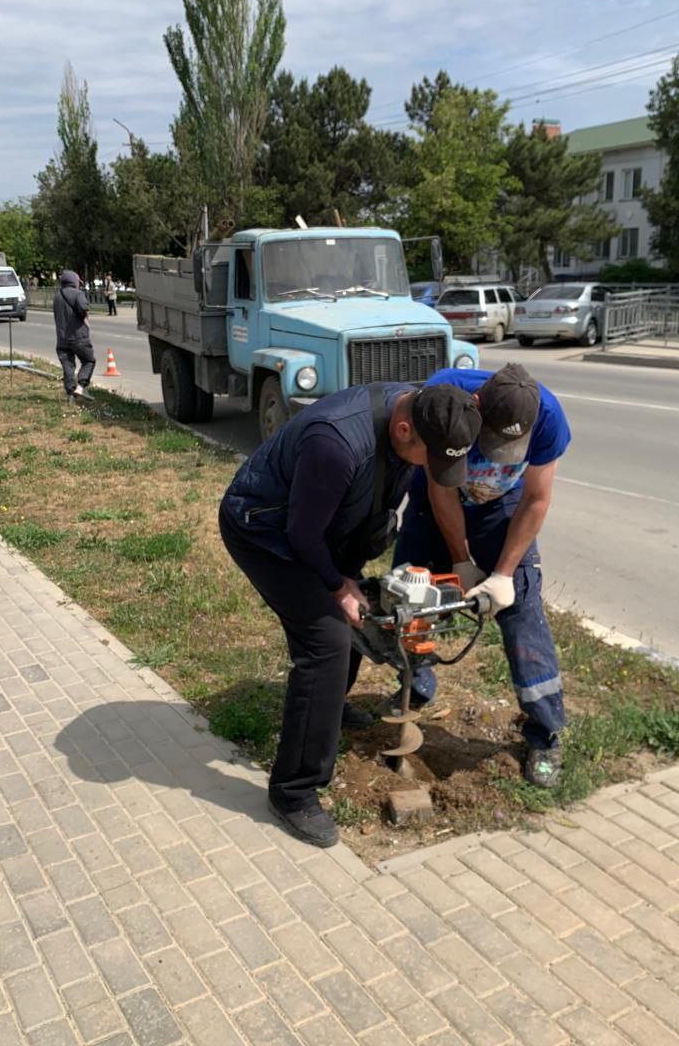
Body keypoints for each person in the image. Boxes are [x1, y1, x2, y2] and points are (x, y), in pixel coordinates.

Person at [219, 381, 482, 848]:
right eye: (432, 458)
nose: (435, 470)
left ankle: (330, 706)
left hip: (324, 528)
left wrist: (351, 580)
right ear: (404, 429)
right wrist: (336, 585)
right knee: (326, 643)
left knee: (359, 610)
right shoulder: (335, 444)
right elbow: (301, 534)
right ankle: (294, 792)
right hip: (265, 531)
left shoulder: (422, 410)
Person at [394, 363, 571, 788]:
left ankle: (545, 733)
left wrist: (505, 574)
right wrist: (460, 560)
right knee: (411, 595)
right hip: (437, 498)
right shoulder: (445, 396)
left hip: (502, 508)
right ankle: (415, 689)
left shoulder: (548, 418)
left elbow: (536, 499)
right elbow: (441, 487)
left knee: (523, 609)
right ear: (476, 408)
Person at [53, 270, 95, 402]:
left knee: (68, 365)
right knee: (89, 360)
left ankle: (70, 393)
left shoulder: (57, 296)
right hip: (78, 336)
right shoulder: (78, 294)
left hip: (62, 338)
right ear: (74, 282)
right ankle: (81, 386)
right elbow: (83, 309)